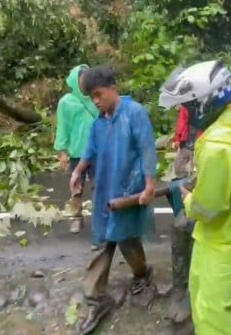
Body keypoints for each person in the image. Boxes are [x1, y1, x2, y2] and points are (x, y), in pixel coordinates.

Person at [159, 60, 231, 335]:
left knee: (214, 316)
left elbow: (208, 208)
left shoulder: (218, 146)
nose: (185, 111)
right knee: (201, 298)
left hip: (229, 241)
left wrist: (187, 198)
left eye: (187, 105)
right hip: (220, 236)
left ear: (203, 103)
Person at [69, 66, 157, 335]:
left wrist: (150, 185)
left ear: (113, 88)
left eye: (99, 94)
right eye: (91, 97)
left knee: (128, 240)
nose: (96, 100)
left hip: (129, 190)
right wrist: (78, 170)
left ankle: (142, 274)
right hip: (104, 190)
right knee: (101, 242)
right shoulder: (99, 122)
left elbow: (147, 149)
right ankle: (97, 299)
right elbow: (90, 151)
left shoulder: (135, 113)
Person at [54, 64, 98, 235]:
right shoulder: (66, 102)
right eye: (82, 79)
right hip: (76, 152)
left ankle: (99, 219)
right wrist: (62, 151)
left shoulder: (96, 98)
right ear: (75, 80)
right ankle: (76, 218)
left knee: (98, 185)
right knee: (76, 187)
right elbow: (62, 128)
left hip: (97, 151)